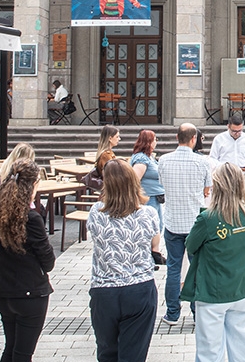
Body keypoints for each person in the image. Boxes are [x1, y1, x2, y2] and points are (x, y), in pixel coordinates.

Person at [181, 163, 245, 362]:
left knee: (210, 350)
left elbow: (190, 246)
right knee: (241, 344)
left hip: (213, 289)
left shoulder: (207, 218)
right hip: (242, 286)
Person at [86, 160, 160, 362]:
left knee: (107, 352)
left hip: (104, 289)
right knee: (134, 354)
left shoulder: (96, 212)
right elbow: (155, 244)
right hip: (139, 287)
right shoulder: (148, 214)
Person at [0, 160, 55, 362]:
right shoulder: (31, 219)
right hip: (31, 293)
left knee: (10, 349)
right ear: (33, 185)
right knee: (23, 354)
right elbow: (48, 261)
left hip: (5, 291)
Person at [156, 123, 214, 325]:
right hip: (195, 223)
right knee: (196, 268)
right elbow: (207, 189)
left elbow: (162, 184)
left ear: (176, 137)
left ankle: (172, 312)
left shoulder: (164, 160)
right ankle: (197, 312)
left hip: (173, 221)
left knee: (173, 268)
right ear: (194, 139)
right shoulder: (202, 162)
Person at [130, 129, 166, 265]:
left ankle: (153, 254)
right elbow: (135, 179)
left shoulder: (149, 157)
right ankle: (146, 256)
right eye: (155, 139)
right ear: (148, 142)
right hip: (147, 198)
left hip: (155, 197)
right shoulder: (141, 159)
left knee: (157, 226)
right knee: (149, 227)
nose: (156, 142)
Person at [209, 113, 245, 197]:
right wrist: (224, 167)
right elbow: (212, 159)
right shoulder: (219, 139)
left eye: (239, 131)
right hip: (225, 178)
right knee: (225, 203)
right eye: (234, 131)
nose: (237, 133)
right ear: (228, 126)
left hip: (243, 178)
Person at [84, 125, 120, 194]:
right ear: (110, 138)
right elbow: (110, 174)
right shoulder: (106, 155)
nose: (119, 139)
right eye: (117, 137)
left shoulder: (108, 153)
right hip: (110, 190)